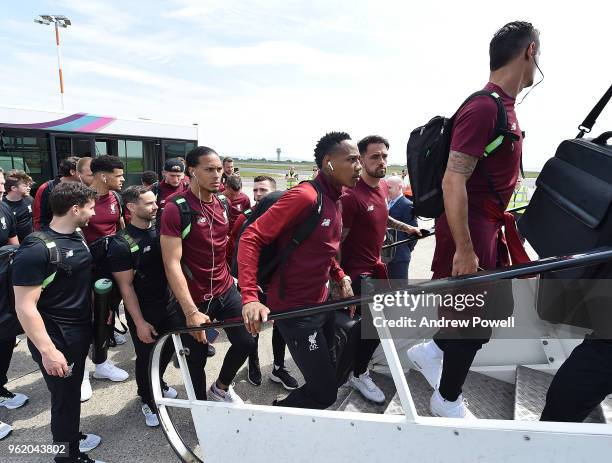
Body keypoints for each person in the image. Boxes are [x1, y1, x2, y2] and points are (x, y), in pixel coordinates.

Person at [407, 21, 538, 418]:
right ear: (530, 51)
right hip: (471, 227)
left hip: (488, 225)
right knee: (472, 323)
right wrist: (464, 248)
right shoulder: (484, 106)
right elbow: (453, 178)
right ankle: (445, 400)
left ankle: (431, 351)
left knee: (485, 316)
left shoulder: (505, 108)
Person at [239, 132, 359, 410]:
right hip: (296, 311)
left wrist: (339, 275)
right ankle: (275, 418)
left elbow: (320, 248)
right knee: (325, 393)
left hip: (322, 302)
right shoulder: (305, 196)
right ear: (328, 163)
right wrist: (250, 296)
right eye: (351, 159)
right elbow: (251, 237)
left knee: (331, 372)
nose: (358, 166)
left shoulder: (336, 198)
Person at [13, 182, 104, 463]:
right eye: (90, 208)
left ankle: (71, 438)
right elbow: (25, 307)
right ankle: (67, 457)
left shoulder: (78, 236)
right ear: (75, 209)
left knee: (71, 393)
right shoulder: (36, 250)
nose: (94, 214)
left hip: (78, 331)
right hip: (56, 339)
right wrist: (48, 351)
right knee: (64, 401)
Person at [160, 146, 255, 403]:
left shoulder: (223, 202)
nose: (218, 175)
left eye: (219, 170)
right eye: (209, 170)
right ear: (192, 171)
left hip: (225, 289)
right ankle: (201, 410)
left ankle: (220, 388)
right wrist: (190, 311)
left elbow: (226, 246)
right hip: (194, 298)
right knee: (196, 359)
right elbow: (172, 263)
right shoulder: (176, 208)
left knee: (246, 341)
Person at [108, 186, 206, 427]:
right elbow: (126, 287)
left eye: (155, 203)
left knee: (170, 349)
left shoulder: (162, 231)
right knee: (146, 357)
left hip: (170, 303)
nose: (156, 207)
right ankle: (148, 399)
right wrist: (139, 322)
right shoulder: (121, 243)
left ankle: (158, 382)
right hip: (145, 310)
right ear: (131, 207)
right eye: (149, 204)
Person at [340, 136, 421, 403]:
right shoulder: (352, 196)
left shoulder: (380, 189)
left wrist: (407, 228)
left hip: (376, 268)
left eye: (384, 156)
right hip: (356, 273)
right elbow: (337, 241)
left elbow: (382, 216)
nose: (381, 161)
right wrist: (338, 279)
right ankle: (358, 373)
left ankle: (354, 368)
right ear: (361, 160)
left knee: (373, 325)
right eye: (375, 157)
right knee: (374, 324)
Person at [227, 175, 298, 390]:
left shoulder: (289, 222)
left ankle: (278, 367)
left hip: (281, 286)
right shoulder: (245, 219)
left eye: (263, 191)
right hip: (255, 286)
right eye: (255, 190)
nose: (257, 195)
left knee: (281, 328)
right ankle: (253, 361)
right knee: (254, 327)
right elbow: (232, 249)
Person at [80, 155, 129, 402]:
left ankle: (101, 363)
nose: (122, 180)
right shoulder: (78, 197)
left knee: (106, 317)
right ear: (102, 176)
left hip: (111, 269)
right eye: (118, 175)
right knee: (84, 321)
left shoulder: (117, 198)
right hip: (84, 271)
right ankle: (81, 374)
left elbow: (119, 229)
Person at [0, 168, 23, 441]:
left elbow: (13, 243)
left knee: (5, 339)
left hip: (4, 289)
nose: (1, 188)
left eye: (3, 183)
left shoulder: (4, 208)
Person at [386, 175, 418, 283]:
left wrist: (406, 249)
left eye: (389, 187)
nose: (386, 190)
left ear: (399, 187)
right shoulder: (388, 203)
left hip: (399, 257)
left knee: (399, 291)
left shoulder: (407, 205)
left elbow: (414, 233)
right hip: (387, 257)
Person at [33, 157, 80, 230]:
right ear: (72, 172)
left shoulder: (82, 187)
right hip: (52, 234)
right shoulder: (47, 188)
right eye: (81, 170)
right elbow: (39, 218)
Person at [4, 170, 34, 242]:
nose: (29, 188)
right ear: (14, 188)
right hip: (12, 246)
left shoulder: (30, 199)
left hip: (30, 241)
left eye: (29, 185)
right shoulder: (3, 206)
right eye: (25, 186)